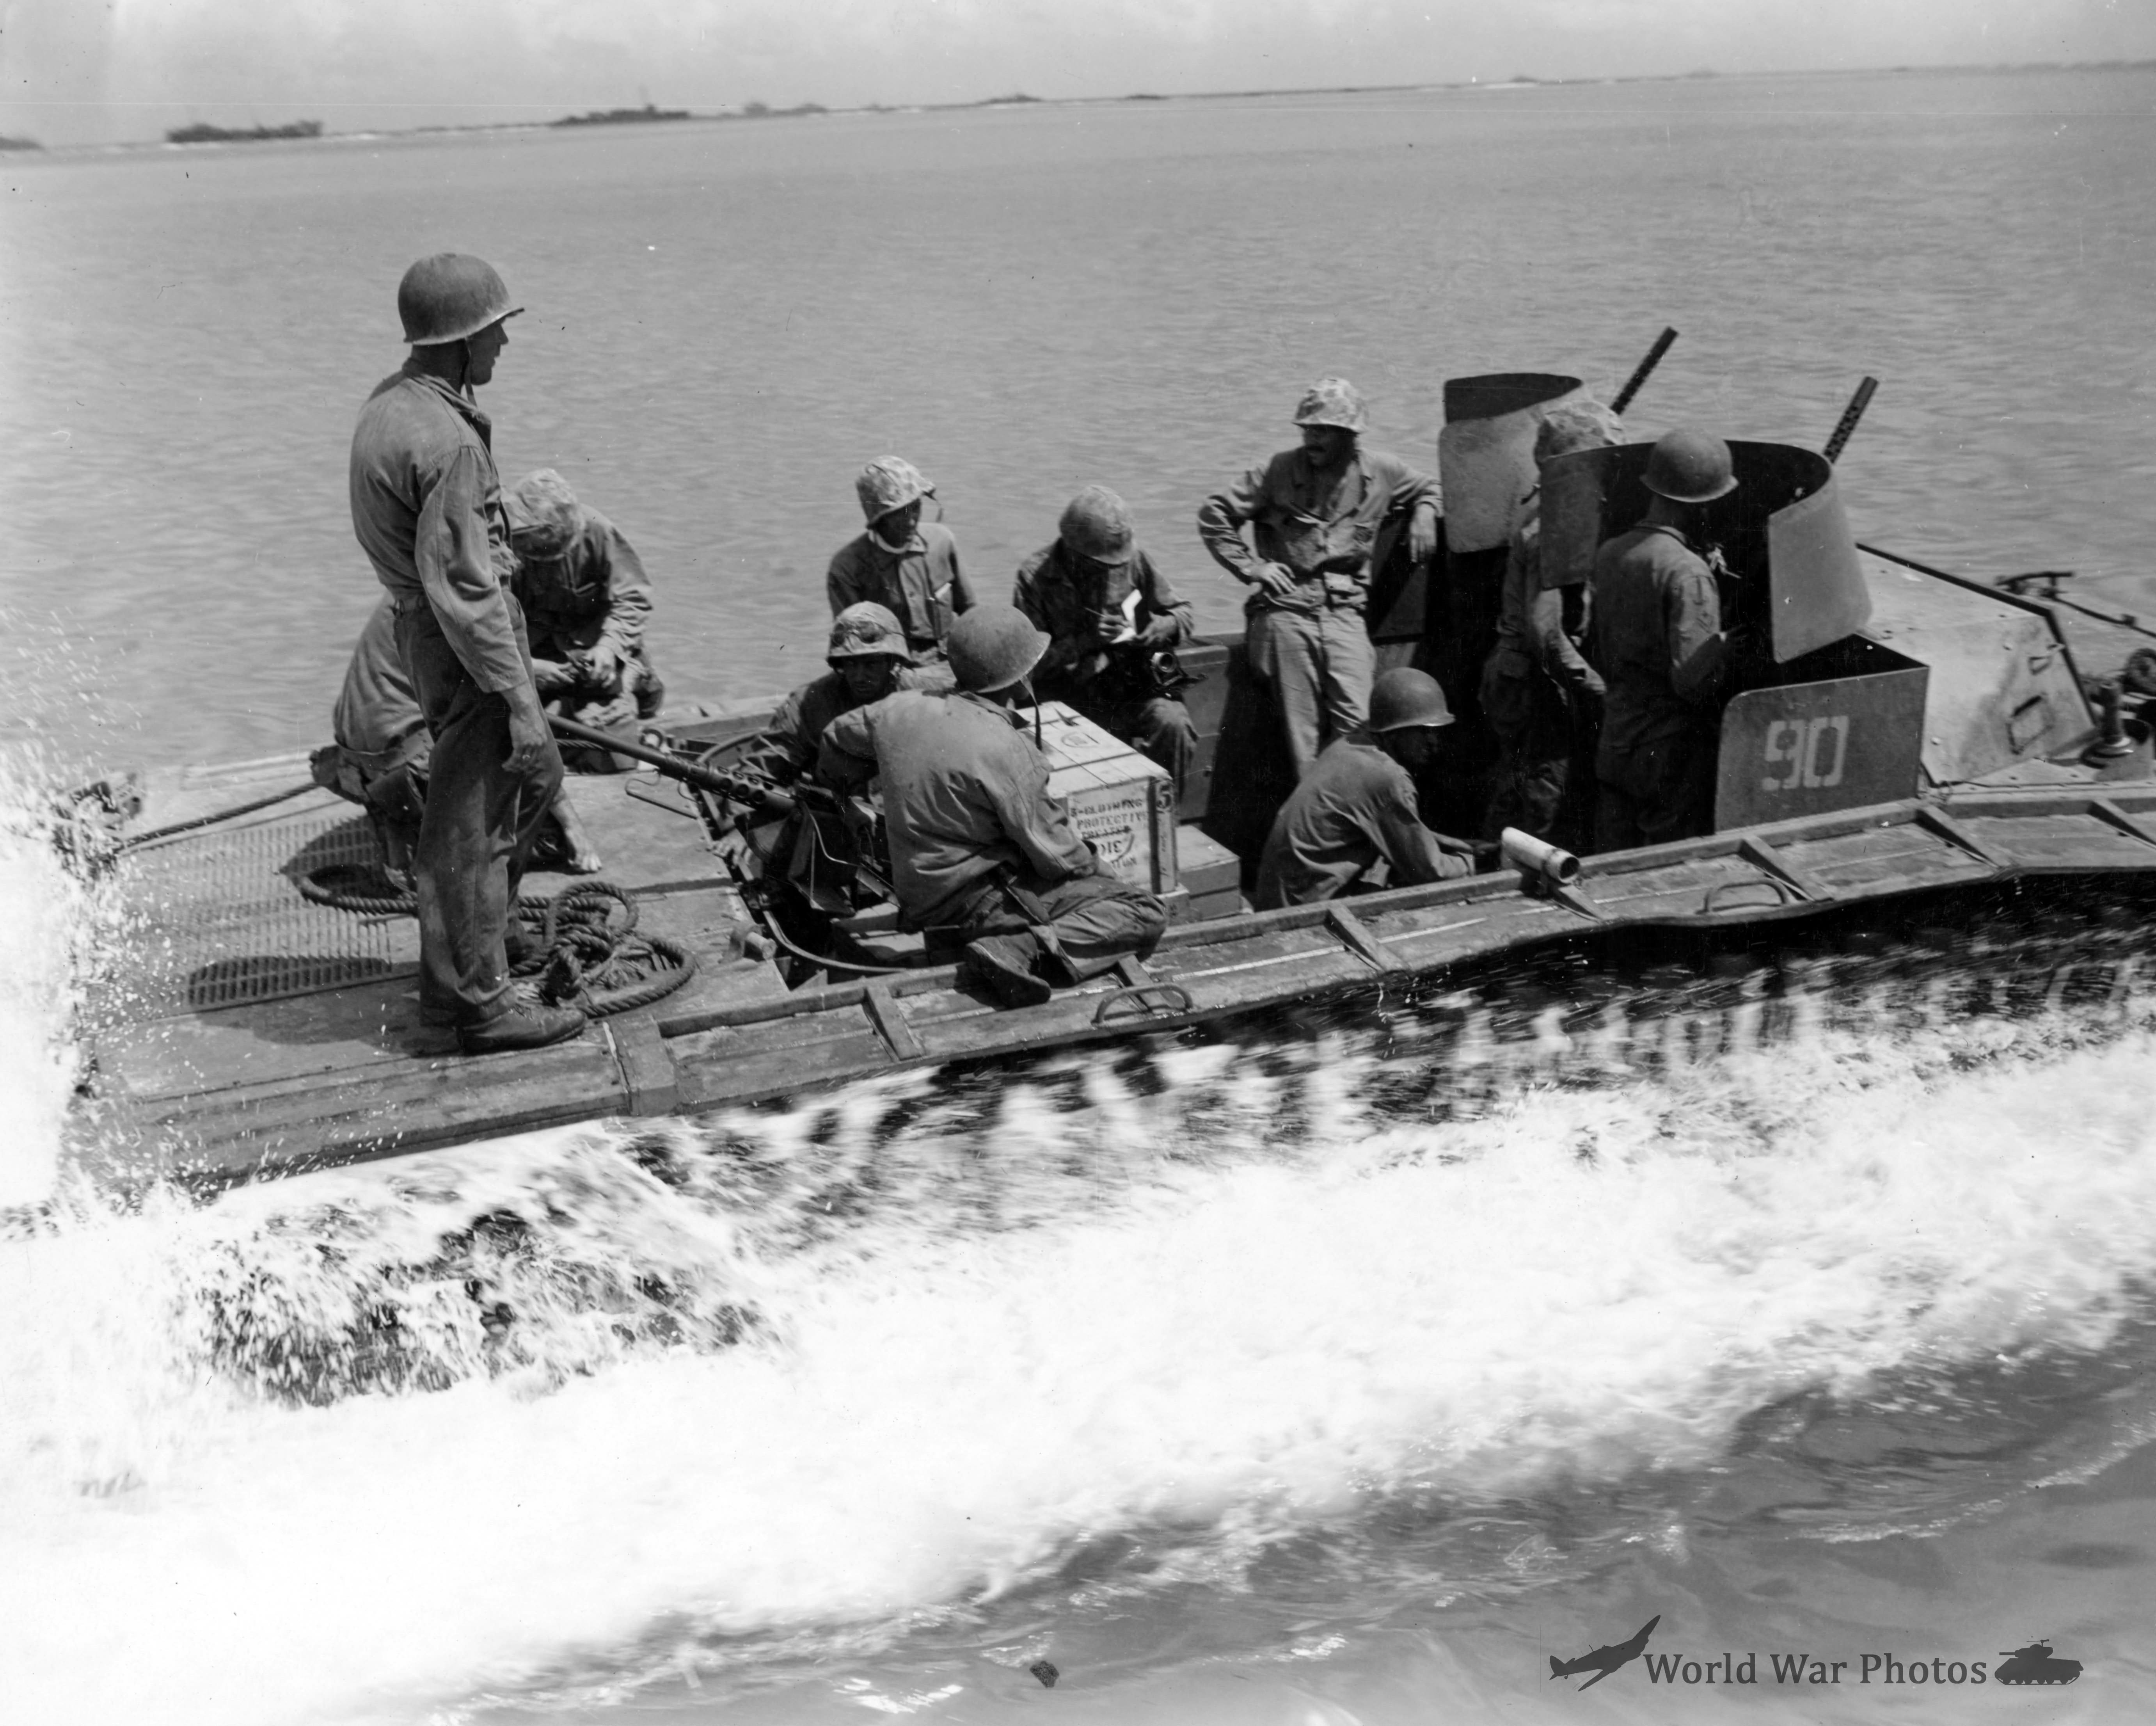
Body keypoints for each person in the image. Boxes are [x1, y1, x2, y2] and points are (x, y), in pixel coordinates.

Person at [347, 252, 583, 1054]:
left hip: (428, 628)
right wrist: (519, 699)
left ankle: (478, 949)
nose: (504, 347)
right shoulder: (446, 440)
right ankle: (479, 1004)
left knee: (519, 786)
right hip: (464, 641)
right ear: (462, 340)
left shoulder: (393, 404)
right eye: (496, 332)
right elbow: (467, 588)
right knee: (484, 815)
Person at [817, 606, 1169, 1008]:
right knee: (1144, 911)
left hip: (917, 894)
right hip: (976, 905)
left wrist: (850, 803)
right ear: (1020, 677)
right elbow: (1058, 857)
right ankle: (1017, 948)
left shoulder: (899, 708)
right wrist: (1101, 873)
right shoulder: (1011, 750)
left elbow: (835, 737)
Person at [1197, 378, 1440, 777]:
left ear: (1350, 435)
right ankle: (1319, 822)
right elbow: (1214, 515)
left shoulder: (1382, 472)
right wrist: (1252, 567)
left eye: (1323, 430)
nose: (1311, 438)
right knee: (1303, 736)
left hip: (1343, 614)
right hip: (1286, 611)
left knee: (1360, 725)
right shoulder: (1275, 471)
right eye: (1307, 428)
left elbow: (1431, 486)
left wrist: (1426, 512)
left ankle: (1343, 808)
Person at [317, 595, 603, 877]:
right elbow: (503, 711)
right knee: (547, 835)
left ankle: (408, 824)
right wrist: (569, 821)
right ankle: (429, 828)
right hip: (405, 765)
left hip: (357, 766)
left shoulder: (405, 585)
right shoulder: (464, 588)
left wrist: (532, 667)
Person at [1478, 399, 1624, 851]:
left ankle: (1493, 868)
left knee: (1517, 783)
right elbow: (1545, 635)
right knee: (1542, 793)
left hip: (1520, 675)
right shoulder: (1549, 528)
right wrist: (1598, 688)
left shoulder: (1546, 505)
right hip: (1535, 681)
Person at [1588, 427, 1737, 851]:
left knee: (1612, 855)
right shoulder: (1688, 573)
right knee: (1665, 863)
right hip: (1665, 752)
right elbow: (1690, 681)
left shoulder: (1612, 552)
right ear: (1702, 504)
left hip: (1617, 736)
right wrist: (1724, 643)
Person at [1012, 485, 1198, 789]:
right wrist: (1088, 640)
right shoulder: (1034, 578)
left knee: (1174, 724)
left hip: (1126, 689)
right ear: (1074, 551)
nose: (1107, 571)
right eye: (1099, 565)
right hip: (1065, 701)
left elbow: (1183, 613)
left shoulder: (1134, 562)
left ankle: (1164, 816)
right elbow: (1025, 667)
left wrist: (1157, 626)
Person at [1253, 667, 1476, 909]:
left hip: (1279, 892)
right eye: (1423, 732)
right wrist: (1472, 863)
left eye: (1435, 732)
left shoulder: (1350, 745)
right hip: (1300, 908)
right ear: (1394, 733)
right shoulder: (1387, 777)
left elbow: (1394, 829)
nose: (1434, 743)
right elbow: (1430, 871)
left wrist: (1458, 845)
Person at [504, 469, 664, 768]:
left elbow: (633, 598)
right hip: (529, 656)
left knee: (620, 757)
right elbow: (483, 624)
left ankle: (635, 688)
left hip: (593, 653)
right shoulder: (500, 544)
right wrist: (529, 666)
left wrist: (609, 648)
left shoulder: (598, 531)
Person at [740, 602, 953, 785]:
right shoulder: (808, 704)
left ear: (893, 662)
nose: (860, 676)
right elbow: (764, 767)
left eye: (871, 664)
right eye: (851, 663)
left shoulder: (927, 697)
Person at [826, 456, 977, 663]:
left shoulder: (942, 542)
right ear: (878, 520)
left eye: (915, 507)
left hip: (949, 664)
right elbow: (853, 650)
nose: (912, 520)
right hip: (891, 675)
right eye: (900, 513)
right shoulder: (847, 568)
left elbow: (972, 614)